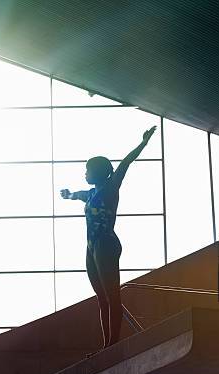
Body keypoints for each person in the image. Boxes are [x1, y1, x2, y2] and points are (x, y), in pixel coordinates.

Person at [60, 125, 157, 356]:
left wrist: (143, 143)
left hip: (106, 244)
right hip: (91, 248)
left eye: (87, 169)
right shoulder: (91, 193)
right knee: (101, 298)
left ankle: (113, 344)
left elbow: (125, 163)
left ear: (100, 171)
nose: (84, 173)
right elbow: (77, 195)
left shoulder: (111, 186)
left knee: (112, 296)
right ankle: (107, 346)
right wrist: (68, 195)